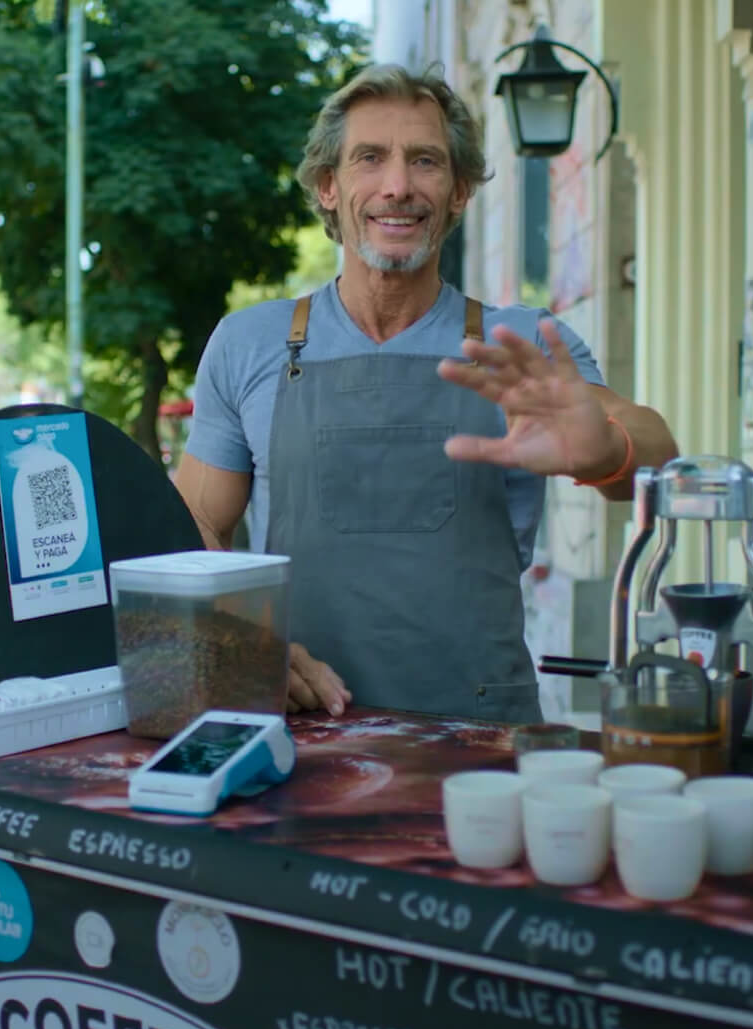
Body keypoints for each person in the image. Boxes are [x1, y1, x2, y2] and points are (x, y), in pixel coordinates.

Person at [175, 63, 677, 724]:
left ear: (460, 191)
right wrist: (247, 646)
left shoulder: (522, 344)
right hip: (297, 723)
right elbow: (193, 531)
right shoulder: (250, 343)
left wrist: (604, 450)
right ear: (328, 186)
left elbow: (658, 454)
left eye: (426, 162)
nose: (398, 187)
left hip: (482, 737)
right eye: (369, 159)